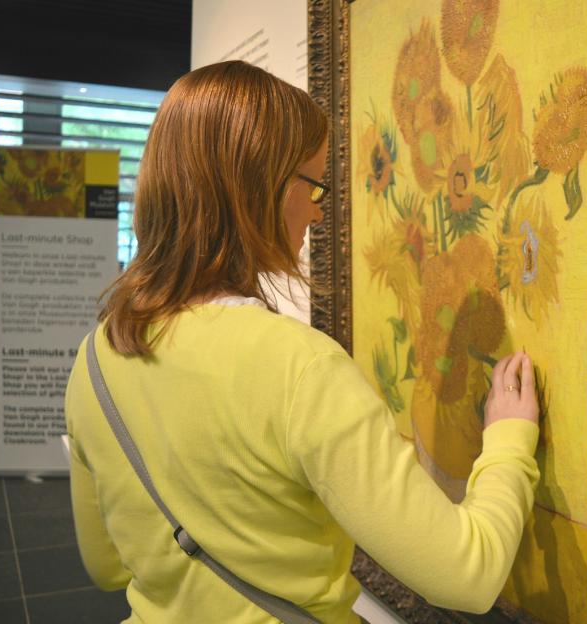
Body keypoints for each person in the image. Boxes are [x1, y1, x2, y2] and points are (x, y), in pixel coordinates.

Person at [65, 60, 540, 624]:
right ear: (256, 190)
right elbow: (468, 575)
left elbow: (105, 566)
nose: (319, 209)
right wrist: (509, 442)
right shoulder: (300, 368)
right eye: (312, 184)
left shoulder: (94, 359)